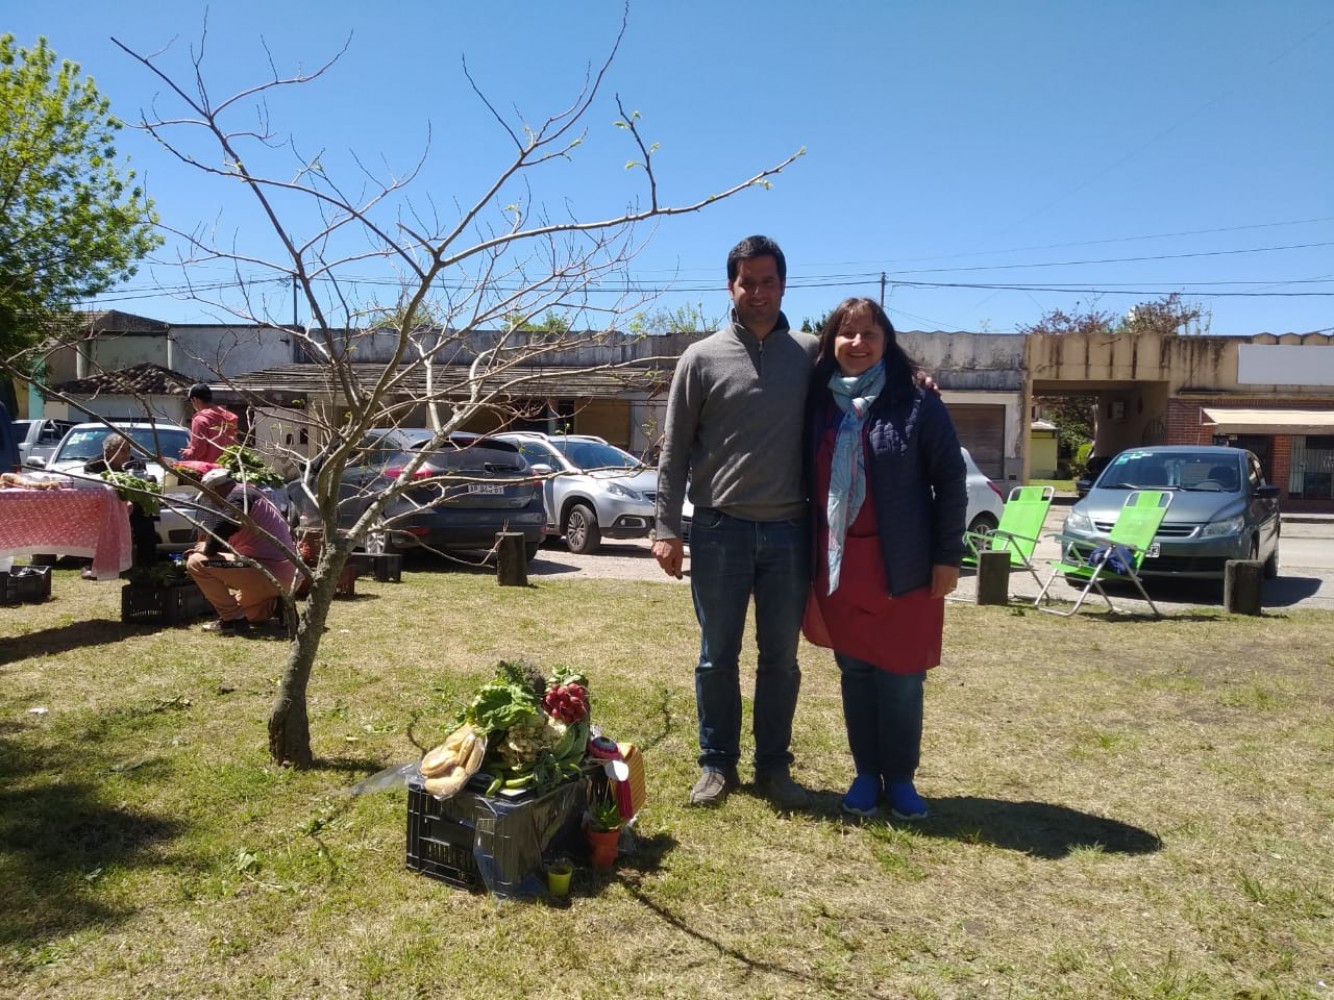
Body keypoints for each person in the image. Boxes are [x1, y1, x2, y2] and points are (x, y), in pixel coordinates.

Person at [653, 235, 817, 808]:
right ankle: (716, 764)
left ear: (783, 284)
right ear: (731, 286)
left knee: (782, 660)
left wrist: (914, 377)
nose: (758, 292)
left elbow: (867, 381)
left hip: (790, 534)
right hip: (720, 531)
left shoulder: (811, 354)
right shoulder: (700, 358)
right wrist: (665, 528)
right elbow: (674, 451)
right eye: (747, 281)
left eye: (768, 281)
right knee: (715, 656)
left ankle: (774, 766)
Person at [802, 297, 967, 820]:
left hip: (905, 567)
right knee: (856, 674)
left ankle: (900, 779)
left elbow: (951, 481)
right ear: (831, 342)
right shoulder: (816, 402)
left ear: (886, 342)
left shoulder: (917, 402)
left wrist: (947, 557)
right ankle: (864, 774)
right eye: (846, 333)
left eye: (869, 333)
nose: (857, 343)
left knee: (900, 678)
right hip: (840, 564)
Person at [187, 468, 299, 634]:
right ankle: (276, 604)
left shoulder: (238, 498)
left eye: (209, 495)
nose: (211, 500)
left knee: (195, 562)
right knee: (248, 613)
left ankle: (232, 620)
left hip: (270, 571)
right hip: (289, 574)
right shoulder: (252, 493)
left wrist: (208, 547)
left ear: (215, 490)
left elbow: (225, 526)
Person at [84, 434, 159, 574]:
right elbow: (94, 490)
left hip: (131, 504)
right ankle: (92, 564)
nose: (127, 455)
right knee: (92, 522)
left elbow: (140, 488)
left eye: (128, 450)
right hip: (104, 506)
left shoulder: (136, 463)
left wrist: (130, 502)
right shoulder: (93, 465)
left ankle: (147, 563)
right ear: (108, 451)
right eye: (122, 451)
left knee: (144, 517)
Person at [180, 383, 239, 464]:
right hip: (228, 468)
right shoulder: (228, 417)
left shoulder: (200, 420)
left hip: (208, 470)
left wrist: (187, 453)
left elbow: (198, 451)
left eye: (192, 402)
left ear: (196, 400)